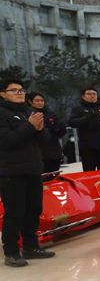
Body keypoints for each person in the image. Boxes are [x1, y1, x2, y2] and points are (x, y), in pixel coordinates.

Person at [0, 79, 56, 267]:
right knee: (14, 212)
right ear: (3, 94)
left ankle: (31, 247)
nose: (19, 93)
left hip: (33, 168)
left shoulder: (28, 112)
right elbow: (6, 141)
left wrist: (39, 130)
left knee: (33, 210)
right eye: (13, 90)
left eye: (21, 90)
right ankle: (11, 252)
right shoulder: (2, 113)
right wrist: (30, 126)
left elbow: (45, 139)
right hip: (11, 171)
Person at [68, 87, 100, 171]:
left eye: (94, 94)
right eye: (89, 94)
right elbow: (72, 122)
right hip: (87, 147)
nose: (92, 96)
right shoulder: (78, 109)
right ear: (83, 96)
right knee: (89, 172)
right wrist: (87, 118)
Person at [26, 91, 67, 173]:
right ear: (30, 101)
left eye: (42, 100)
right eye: (37, 101)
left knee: (54, 176)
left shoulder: (50, 113)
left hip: (54, 152)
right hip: (40, 154)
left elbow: (61, 129)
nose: (40, 103)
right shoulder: (28, 114)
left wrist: (58, 128)